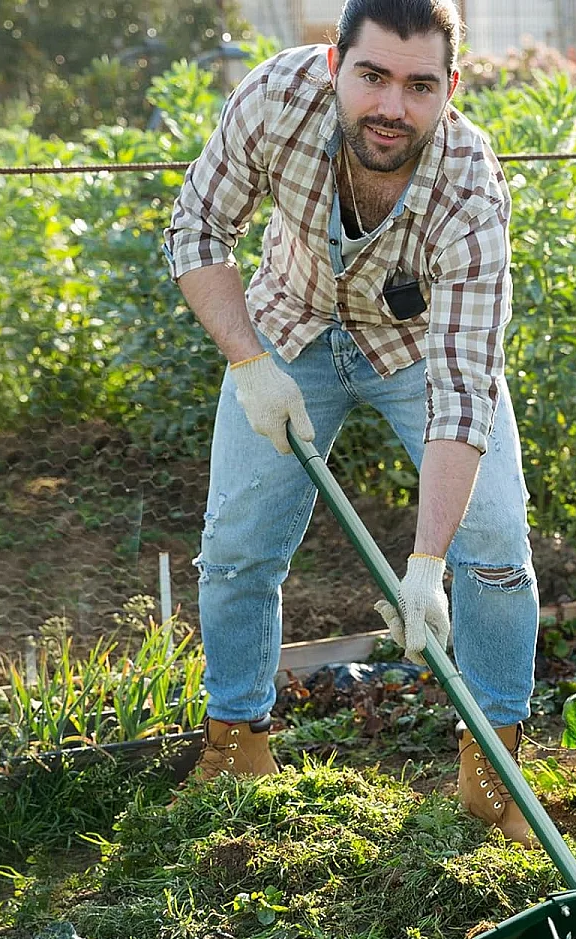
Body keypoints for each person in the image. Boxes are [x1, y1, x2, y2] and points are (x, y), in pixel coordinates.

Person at [162, 0, 539, 845]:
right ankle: (236, 744)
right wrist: (248, 361)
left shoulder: (471, 191)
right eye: (372, 76)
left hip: (416, 352)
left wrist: (427, 565)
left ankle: (494, 769)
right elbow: (197, 228)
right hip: (286, 327)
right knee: (238, 544)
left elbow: (464, 390)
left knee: (494, 547)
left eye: (419, 86)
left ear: (451, 88)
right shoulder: (277, 99)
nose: (392, 107)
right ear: (335, 64)